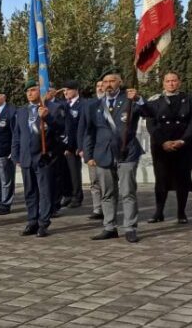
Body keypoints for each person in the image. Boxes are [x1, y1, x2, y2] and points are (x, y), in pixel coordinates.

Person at [83, 71, 146, 243]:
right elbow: (89, 132)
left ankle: (130, 228)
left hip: (127, 152)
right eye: (105, 82)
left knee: (127, 192)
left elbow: (148, 112)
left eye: (112, 81)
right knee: (107, 193)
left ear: (120, 82)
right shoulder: (94, 105)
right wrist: (88, 155)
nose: (108, 84)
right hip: (103, 154)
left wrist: (139, 98)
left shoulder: (129, 99)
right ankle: (109, 227)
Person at [140, 71, 192, 224]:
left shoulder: (189, 99)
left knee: (182, 179)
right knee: (161, 179)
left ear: (179, 82)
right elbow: (151, 124)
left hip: (183, 145)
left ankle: (181, 213)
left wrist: (183, 140)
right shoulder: (154, 101)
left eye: (174, 81)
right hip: (161, 146)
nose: (171, 84)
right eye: (168, 81)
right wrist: (163, 142)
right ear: (163, 83)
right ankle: (159, 212)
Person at [12, 82, 61, 237]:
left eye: (33, 90)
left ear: (41, 92)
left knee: (44, 191)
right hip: (26, 157)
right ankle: (32, 221)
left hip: (43, 157)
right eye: (27, 91)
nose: (29, 93)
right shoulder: (21, 111)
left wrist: (47, 118)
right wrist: (16, 155)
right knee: (30, 192)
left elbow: (60, 129)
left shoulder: (52, 108)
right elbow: (17, 135)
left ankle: (43, 223)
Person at [81, 80, 106, 220]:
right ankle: (97, 208)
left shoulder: (113, 104)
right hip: (94, 149)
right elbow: (85, 130)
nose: (100, 88)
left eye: (102, 85)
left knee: (107, 182)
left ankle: (108, 208)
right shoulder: (89, 105)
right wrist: (85, 151)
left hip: (108, 149)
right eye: (98, 86)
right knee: (94, 181)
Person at [61, 81, 85, 208]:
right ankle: (68, 195)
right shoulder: (65, 105)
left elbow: (80, 127)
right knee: (66, 172)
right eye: (65, 90)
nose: (66, 93)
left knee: (75, 172)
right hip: (64, 145)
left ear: (76, 90)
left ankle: (77, 196)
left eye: (68, 90)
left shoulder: (82, 104)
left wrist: (76, 146)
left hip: (75, 145)